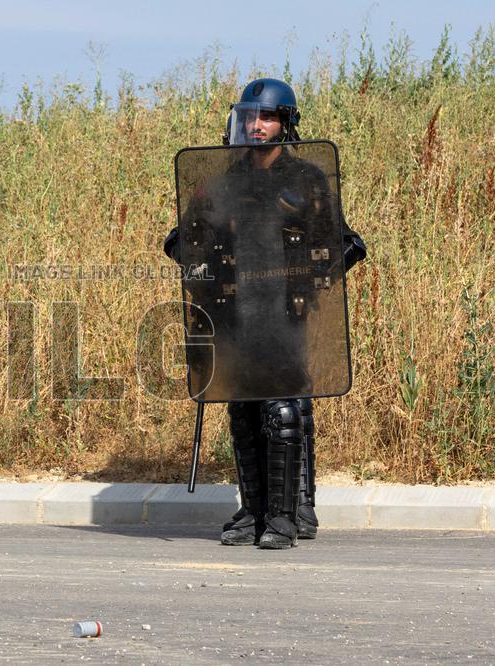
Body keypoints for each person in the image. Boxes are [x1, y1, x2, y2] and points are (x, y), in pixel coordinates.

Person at [163, 78, 367, 549]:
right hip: (235, 313)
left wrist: (311, 276)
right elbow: (180, 240)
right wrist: (202, 265)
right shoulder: (223, 183)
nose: (257, 126)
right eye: (251, 117)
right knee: (242, 408)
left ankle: (286, 515)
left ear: (286, 123)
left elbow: (346, 244)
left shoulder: (306, 180)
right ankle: (253, 510)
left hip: (283, 314)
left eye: (268, 117)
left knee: (283, 407)